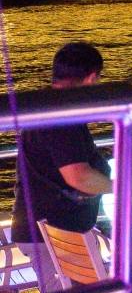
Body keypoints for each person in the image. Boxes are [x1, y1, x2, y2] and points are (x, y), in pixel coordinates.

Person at [8, 42, 112, 247]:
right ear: (92, 77)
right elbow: (79, 177)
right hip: (52, 239)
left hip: (41, 231)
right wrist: (123, 189)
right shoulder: (61, 117)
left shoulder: (45, 105)